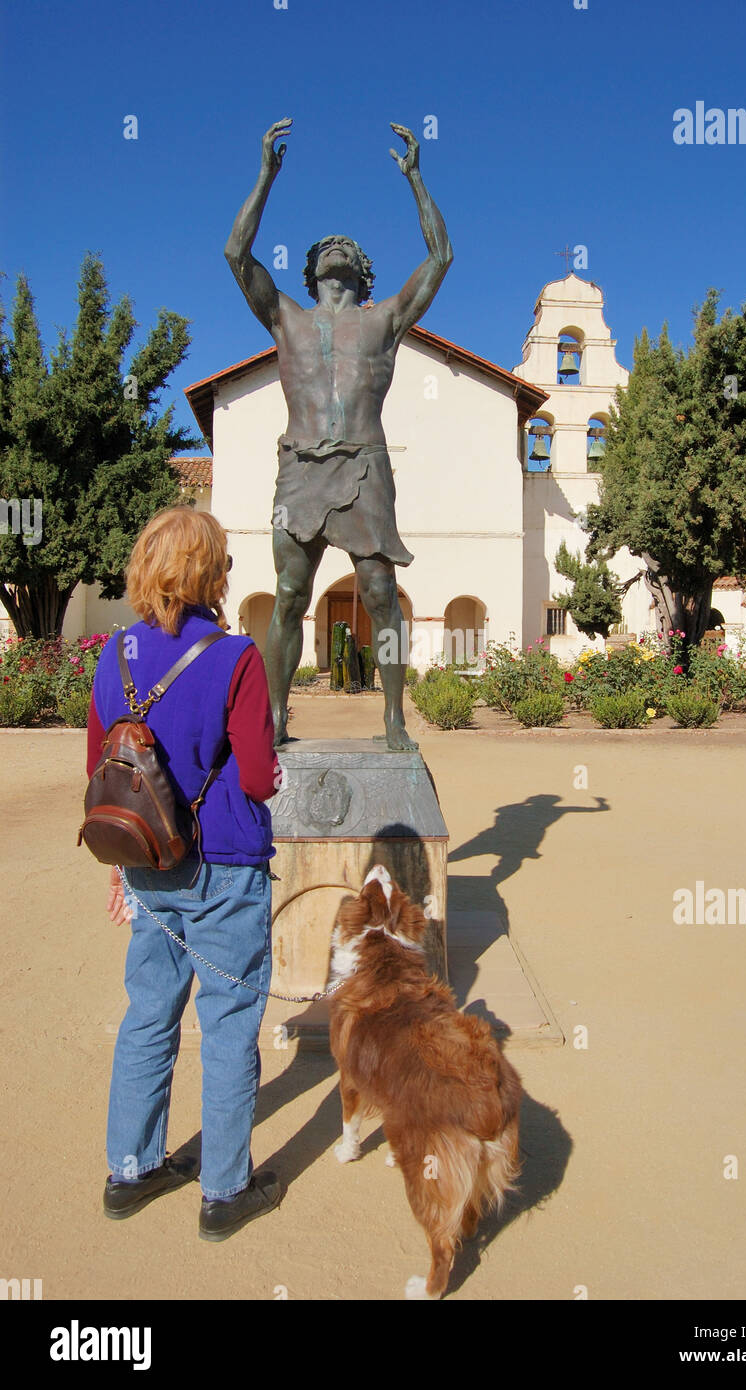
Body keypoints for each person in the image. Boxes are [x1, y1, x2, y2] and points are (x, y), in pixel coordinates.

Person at [224, 117, 452, 750]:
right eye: (327, 244)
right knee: (291, 593)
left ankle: (394, 717)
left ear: (361, 268)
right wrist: (266, 175)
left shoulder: (384, 322)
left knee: (381, 592)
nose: (337, 246)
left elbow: (440, 258)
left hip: (365, 465)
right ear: (311, 268)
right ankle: (275, 717)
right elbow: (237, 256)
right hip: (299, 466)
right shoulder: (285, 319)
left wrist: (415, 180)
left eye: (347, 245)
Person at [86, 505, 283, 1240]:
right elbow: (259, 779)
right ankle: (225, 1192)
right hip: (226, 863)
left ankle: (130, 1171)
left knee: (147, 1016)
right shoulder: (237, 657)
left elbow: (103, 770)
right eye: (225, 564)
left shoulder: (113, 654)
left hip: (148, 863)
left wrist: (118, 870)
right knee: (229, 1025)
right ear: (207, 574)